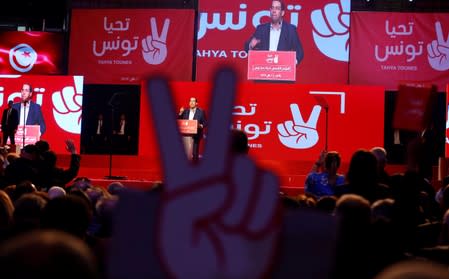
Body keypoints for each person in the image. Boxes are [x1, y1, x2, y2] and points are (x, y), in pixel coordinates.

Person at [244, 0, 304, 65]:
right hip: (263, 70)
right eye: (272, 8)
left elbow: (300, 52)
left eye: (277, 8)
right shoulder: (261, 29)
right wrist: (251, 45)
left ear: (282, 12)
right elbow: (247, 47)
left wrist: (291, 64)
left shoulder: (290, 30)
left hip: (282, 70)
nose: (274, 11)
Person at [178, 97, 207, 162]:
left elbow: (205, 122)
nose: (191, 102)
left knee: (194, 153)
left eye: (193, 101)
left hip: (196, 135)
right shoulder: (185, 111)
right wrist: (180, 113)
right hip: (186, 135)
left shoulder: (201, 112)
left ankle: (195, 167)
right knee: (186, 153)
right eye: (190, 101)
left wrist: (200, 125)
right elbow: (179, 120)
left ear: (196, 103)